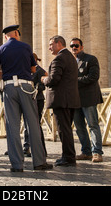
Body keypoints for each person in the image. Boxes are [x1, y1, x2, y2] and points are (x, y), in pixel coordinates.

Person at [0, 24, 52, 172]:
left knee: (12, 126)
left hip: (9, 87)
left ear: (6, 36)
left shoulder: (0, 49)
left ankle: (17, 165)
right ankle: (39, 162)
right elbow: (32, 69)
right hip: (26, 86)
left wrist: (6, 74)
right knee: (33, 124)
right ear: (17, 34)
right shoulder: (25, 47)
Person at [41, 35, 80, 167]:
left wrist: (43, 79)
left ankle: (68, 157)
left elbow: (53, 80)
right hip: (71, 99)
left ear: (59, 44)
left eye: (51, 44)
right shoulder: (71, 58)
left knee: (64, 130)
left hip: (61, 99)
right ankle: (69, 155)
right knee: (67, 129)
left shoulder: (59, 58)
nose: (49, 47)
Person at [70, 38, 104, 163]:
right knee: (79, 127)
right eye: (72, 45)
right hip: (76, 99)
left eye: (76, 45)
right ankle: (86, 151)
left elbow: (93, 77)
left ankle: (97, 152)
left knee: (93, 125)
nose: (74, 47)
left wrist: (74, 82)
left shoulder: (91, 59)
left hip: (88, 98)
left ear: (82, 46)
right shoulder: (71, 62)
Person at [23, 53, 48, 157]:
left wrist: (34, 88)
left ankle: (41, 149)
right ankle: (27, 146)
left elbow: (44, 84)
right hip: (28, 99)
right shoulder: (28, 70)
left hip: (37, 100)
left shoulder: (40, 70)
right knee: (26, 123)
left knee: (36, 124)